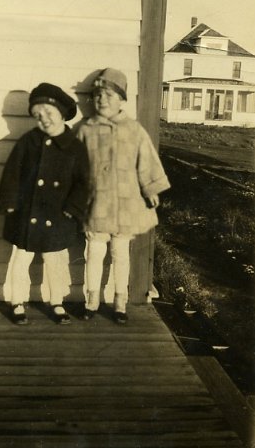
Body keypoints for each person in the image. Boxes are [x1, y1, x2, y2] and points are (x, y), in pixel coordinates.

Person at [77, 68, 170, 324]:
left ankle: (120, 301)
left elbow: (146, 161)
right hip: (96, 203)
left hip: (127, 203)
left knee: (121, 252)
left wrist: (150, 188)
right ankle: (92, 300)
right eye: (97, 95)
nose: (102, 100)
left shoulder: (133, 130)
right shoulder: (85, 130)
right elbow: (74, 167)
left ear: (121, 99)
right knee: (94, 251)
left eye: (108, 95)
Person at [0, 83, 89, 325]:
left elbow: (84, 182)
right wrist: (9, 201)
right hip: (27, 213)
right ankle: (17, 301)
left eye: (49, 113)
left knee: (55, 259)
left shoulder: (75, 147)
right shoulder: (28, 142)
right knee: (21, 257)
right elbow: (11, 174)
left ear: (62, 112)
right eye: (38, 115)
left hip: (59, 215)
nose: (44, 119)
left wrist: (73, 208)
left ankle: (56, 301)